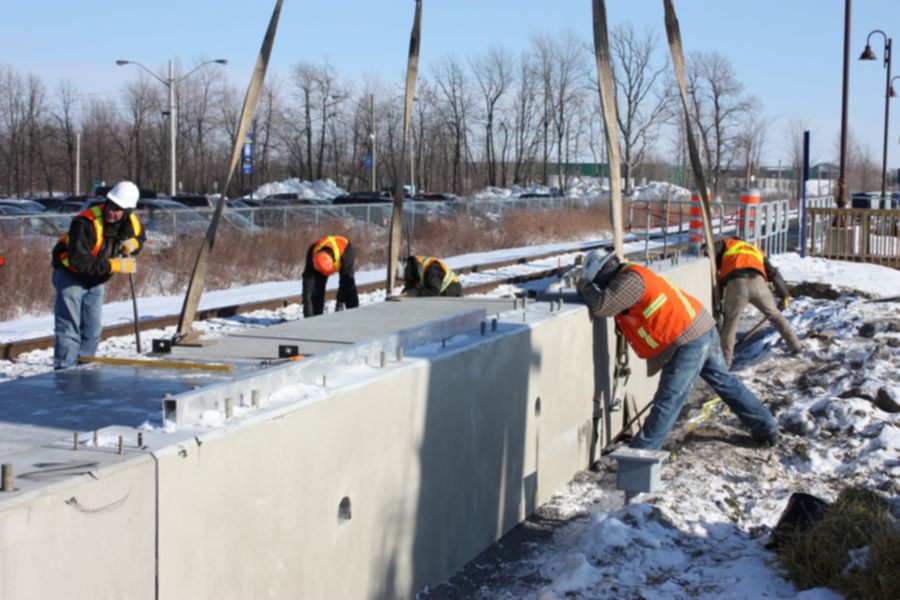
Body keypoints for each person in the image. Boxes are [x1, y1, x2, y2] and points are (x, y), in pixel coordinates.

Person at [576, 249, 779, 450]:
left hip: (687, 339)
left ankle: (641, 453)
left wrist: (584, 287)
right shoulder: (632, 273)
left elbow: (602, 306)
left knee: (669, 399)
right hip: (701, 327)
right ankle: (766, 427)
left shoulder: (629, 280)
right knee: (725, 383)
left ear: (602, 274)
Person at [50, 180, 145, 369]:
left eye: (118, 208)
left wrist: (134, 246)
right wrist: (113, 264)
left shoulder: (132, 222)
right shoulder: (85, 223)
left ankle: (84, 367)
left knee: (92, 330)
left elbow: (140, 237)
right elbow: (79, 260)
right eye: (110, 204)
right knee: (69, 329)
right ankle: (65, 370)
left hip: (96, 279)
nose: (111, 210)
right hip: (71, 276)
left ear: (127, 211)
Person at [714, 237, 802, 367]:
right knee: (776, 315)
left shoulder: (727, 243)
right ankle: (796, 346)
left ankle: (725, 364)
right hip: (759, 283)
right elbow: (774, 273)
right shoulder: (755, 251)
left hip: (737, 285)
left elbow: (711, 249)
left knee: (730, 323)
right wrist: (784, 296)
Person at [302, 235, 359, 317]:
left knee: (349, 287)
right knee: (315, 292)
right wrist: (308, 318)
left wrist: (340, 302)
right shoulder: (312, 253)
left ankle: (354, 316)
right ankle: (316, 318)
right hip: (320, 260)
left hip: (344, 250)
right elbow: (307, 291)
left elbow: (344, 282)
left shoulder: (346, 250)